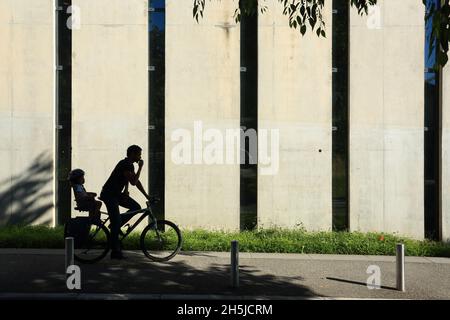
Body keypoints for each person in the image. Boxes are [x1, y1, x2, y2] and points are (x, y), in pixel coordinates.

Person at [100, 145, 151, 260]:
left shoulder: (129, 165)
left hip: (117, 194)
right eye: (139, 154)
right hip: (109, 195)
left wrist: (146, 195)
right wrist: (141, 167)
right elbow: (133, 181)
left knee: (136, 207)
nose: (140, 157)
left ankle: (115, 224)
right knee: (117, 222)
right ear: (132, 154)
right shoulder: (125, 164)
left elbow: (134, 182)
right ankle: (115, 251)